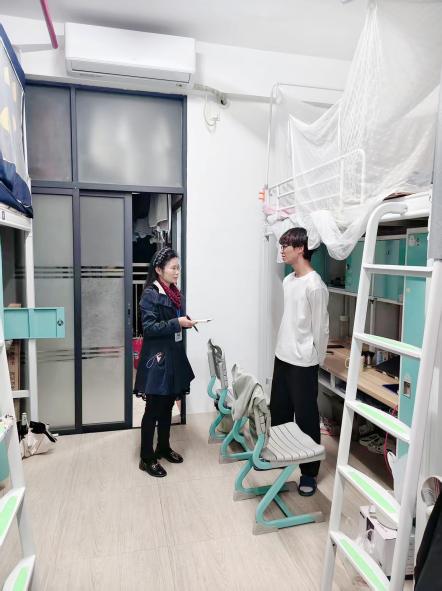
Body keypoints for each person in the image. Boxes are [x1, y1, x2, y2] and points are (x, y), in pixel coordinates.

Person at [270, 227, 329, 496]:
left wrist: (317, 358)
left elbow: (321, 328)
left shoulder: (315, 285)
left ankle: (309, 472)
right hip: (282, 354)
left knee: (306, 418)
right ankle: (283, 457)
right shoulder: (288, 280)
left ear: (301, 248)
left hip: (304, 361)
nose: (282, 250)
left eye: (286, 245)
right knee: (280, 412)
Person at [134, 247, 195, 477]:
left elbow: (172, 321)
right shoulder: (151, 294)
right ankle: (146, 457)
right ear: (159, 270)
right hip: (157, 359)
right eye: (173, 268)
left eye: (178, 268)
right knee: (153, 409)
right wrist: (177, 323)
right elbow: (149, 328)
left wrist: (184, 322)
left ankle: (163, 447)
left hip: (173, 356)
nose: (177, 272)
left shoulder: (174, 292)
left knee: (168, 404)